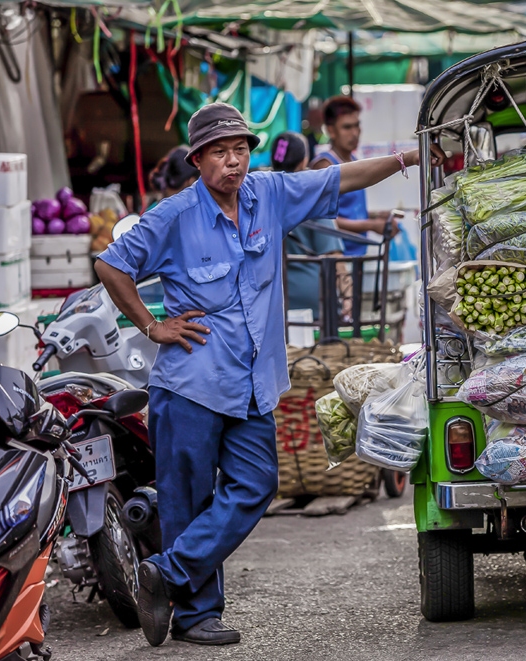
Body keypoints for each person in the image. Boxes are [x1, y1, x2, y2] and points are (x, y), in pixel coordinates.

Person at [94, 102, 445, 648]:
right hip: (191, 385)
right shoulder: (174, 216)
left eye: (239, 150)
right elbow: (111, 264)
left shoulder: (268, 196)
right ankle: (196, 615)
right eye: (219, 153)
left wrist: (407, 158)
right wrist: (151, 325)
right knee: (187, 501)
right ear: (197, 160)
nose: (231, 162)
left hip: (254, 383)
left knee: (256, 484)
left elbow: (339, 177)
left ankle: (165, 570)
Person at [271, 130, 352, 321]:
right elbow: (333, 254)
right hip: (313, 306)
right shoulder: (309, 193)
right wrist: (348, 296)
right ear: (303, 161)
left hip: (273, 303)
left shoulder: (262, 192)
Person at [311, 96, 399, 256]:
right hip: (337, 258)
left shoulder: (354, 161)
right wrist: (371, 225)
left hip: (357, 254)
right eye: (347, 127)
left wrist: (378, 216)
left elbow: (347, 209)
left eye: (357, 125)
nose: (354, 133)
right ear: (331, 130)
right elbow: (325, 221)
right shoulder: (325, 165)